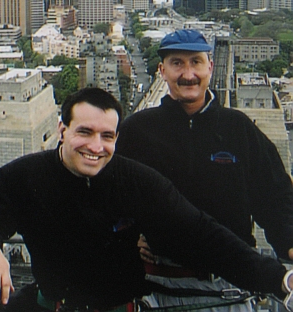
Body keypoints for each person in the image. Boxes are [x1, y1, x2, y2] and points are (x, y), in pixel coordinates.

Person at [0, 87, 293, 311]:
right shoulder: (28, 174)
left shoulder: (135, 180)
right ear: (63, 130)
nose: (96, 147)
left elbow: (203, 234)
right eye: (85, 132)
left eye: (107, 136)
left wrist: (279, 279)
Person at [116, 29, 293, 311]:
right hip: (160, 288)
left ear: (210, 66)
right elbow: (113, 202)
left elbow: (275, 197)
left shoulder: (238, 128)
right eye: (177, 63)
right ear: (162, 70)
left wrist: (289, 243)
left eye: (196, 62)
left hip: (231, 288)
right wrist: (130, 237)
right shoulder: (137, 130)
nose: (188, 74)